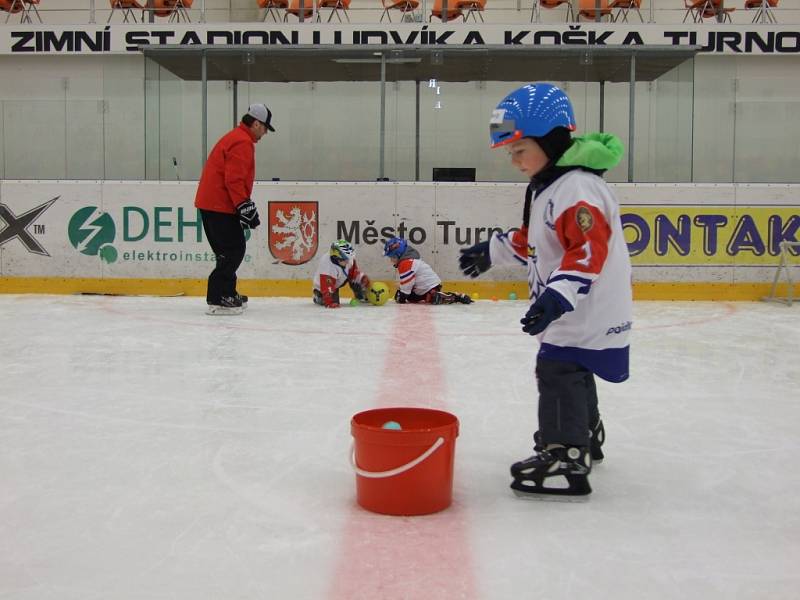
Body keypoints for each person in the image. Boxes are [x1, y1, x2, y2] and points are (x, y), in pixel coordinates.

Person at [459, 83, 632, 499]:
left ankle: (566, 455)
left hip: (580, 306)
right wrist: (494, 250)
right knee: (575, 365)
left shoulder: (576, 188)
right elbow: (537, 243)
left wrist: (557, 296)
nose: (515, 162)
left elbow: (587, 248)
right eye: (511, 154)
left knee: (557, 369)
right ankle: (585, 434)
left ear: (552, 140)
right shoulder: (552, 186)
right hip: (579, 307)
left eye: (520, 151)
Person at [195, 103, 275, 315]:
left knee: (228, 251)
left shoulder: (235, 137)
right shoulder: (242, 142)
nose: (265, 132)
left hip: (215, 203)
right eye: (265, 127)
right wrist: (244, 206)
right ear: (256, 123)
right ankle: (219, 297)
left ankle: (227, 292)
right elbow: (234, 179)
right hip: (220, 205)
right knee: (233, 250)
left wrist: (242, 206)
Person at [384, 237, 472, 305]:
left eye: (392, 257)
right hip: (426, 287)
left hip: (429, 287)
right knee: (412, 298)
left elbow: (407, 286)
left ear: (398, 254)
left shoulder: (405, 263)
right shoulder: (408, 260)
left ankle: (454, 297)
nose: (391, 260)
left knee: (433, 298)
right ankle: (432, 295)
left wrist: (401, 297)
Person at [313, 240, 372, 309]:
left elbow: (354, 272)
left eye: (349, 258)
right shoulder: (327, 266)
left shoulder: (348, 259)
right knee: (332, 302)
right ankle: (318, 297)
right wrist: (330, 302)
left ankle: (361, 296)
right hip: (323, 286)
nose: (348, 261)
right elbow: (327, 286)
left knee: (357, 280)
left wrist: (361, 278)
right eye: (345, 259)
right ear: (336, 258)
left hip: (339, 279)